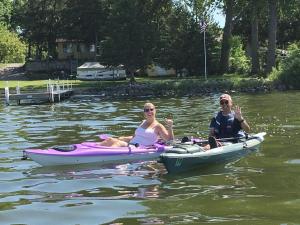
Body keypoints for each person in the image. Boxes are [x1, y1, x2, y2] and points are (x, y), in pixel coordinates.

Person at [98, 102, 174, 147]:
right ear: (144, 112)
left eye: (151, 109)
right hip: (131, 144)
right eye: (146, 110)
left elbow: (169, 140)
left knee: (118, 143)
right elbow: (135, 136)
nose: (149, 112)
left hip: (139, 148)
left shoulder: (158, 126)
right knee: (110, 139)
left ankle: (103, 154)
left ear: (155, 110)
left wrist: (170, 127)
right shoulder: (142, 122)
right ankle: (91, 148)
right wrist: (123, 138)